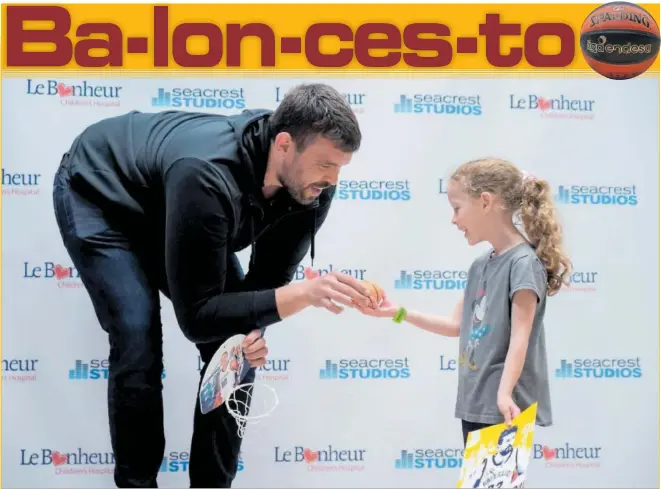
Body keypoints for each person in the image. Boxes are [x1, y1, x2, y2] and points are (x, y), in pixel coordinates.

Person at [52, 83, 375, 488]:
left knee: (237, 348)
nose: (332, 179)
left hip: (172, 200)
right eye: (325, 164)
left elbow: (267, 282)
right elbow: (199, 318)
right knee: (137, 335)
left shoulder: (312, 188)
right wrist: (303, 295)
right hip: (102, 191)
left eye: (341, 167)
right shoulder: (207, 174)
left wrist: (252, 333)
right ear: (284, 144)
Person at [357, 158, 572, 447]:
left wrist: (505, 393)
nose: (453, 219)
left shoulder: (523, 264)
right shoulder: (480, 265)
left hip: (504, 408)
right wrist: (397, 313)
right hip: (477, 401)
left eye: (457, 208)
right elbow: (455, 325)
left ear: (485, 202)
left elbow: (521, 339)